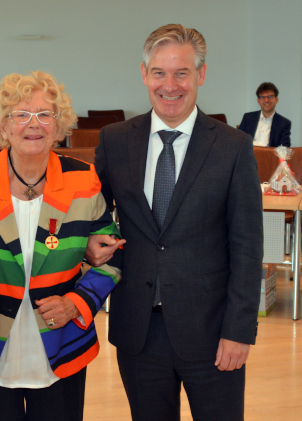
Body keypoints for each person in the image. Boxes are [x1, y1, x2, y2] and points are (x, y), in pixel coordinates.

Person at [87, 24, 263, 420]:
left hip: (213, 333)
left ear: (200, 75)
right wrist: (89, 243)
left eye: (182, 73)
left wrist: (239, 330)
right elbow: (91, 214)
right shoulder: (115, 140)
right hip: (139, 332)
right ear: (144, 74)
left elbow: (248, 247)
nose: (170, 85)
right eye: (160, 73)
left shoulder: (233, 146)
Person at [0, 71, 122, 421]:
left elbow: (112, 254)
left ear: (59, 126)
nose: (34, 124)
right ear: (3, 126)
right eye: (21, 114)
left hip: (62, 348)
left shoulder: (84, 180)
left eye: (45, 114)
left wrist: (77, 303)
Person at [238, 82, 291, 147]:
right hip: (248, 155)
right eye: (262, 97)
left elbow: (284, 148)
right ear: (258, 101)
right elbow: (238, 140)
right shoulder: (248, 117)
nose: (266, 100)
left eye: (270, 96)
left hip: (269, 156)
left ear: (276, 100)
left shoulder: (284, 123)